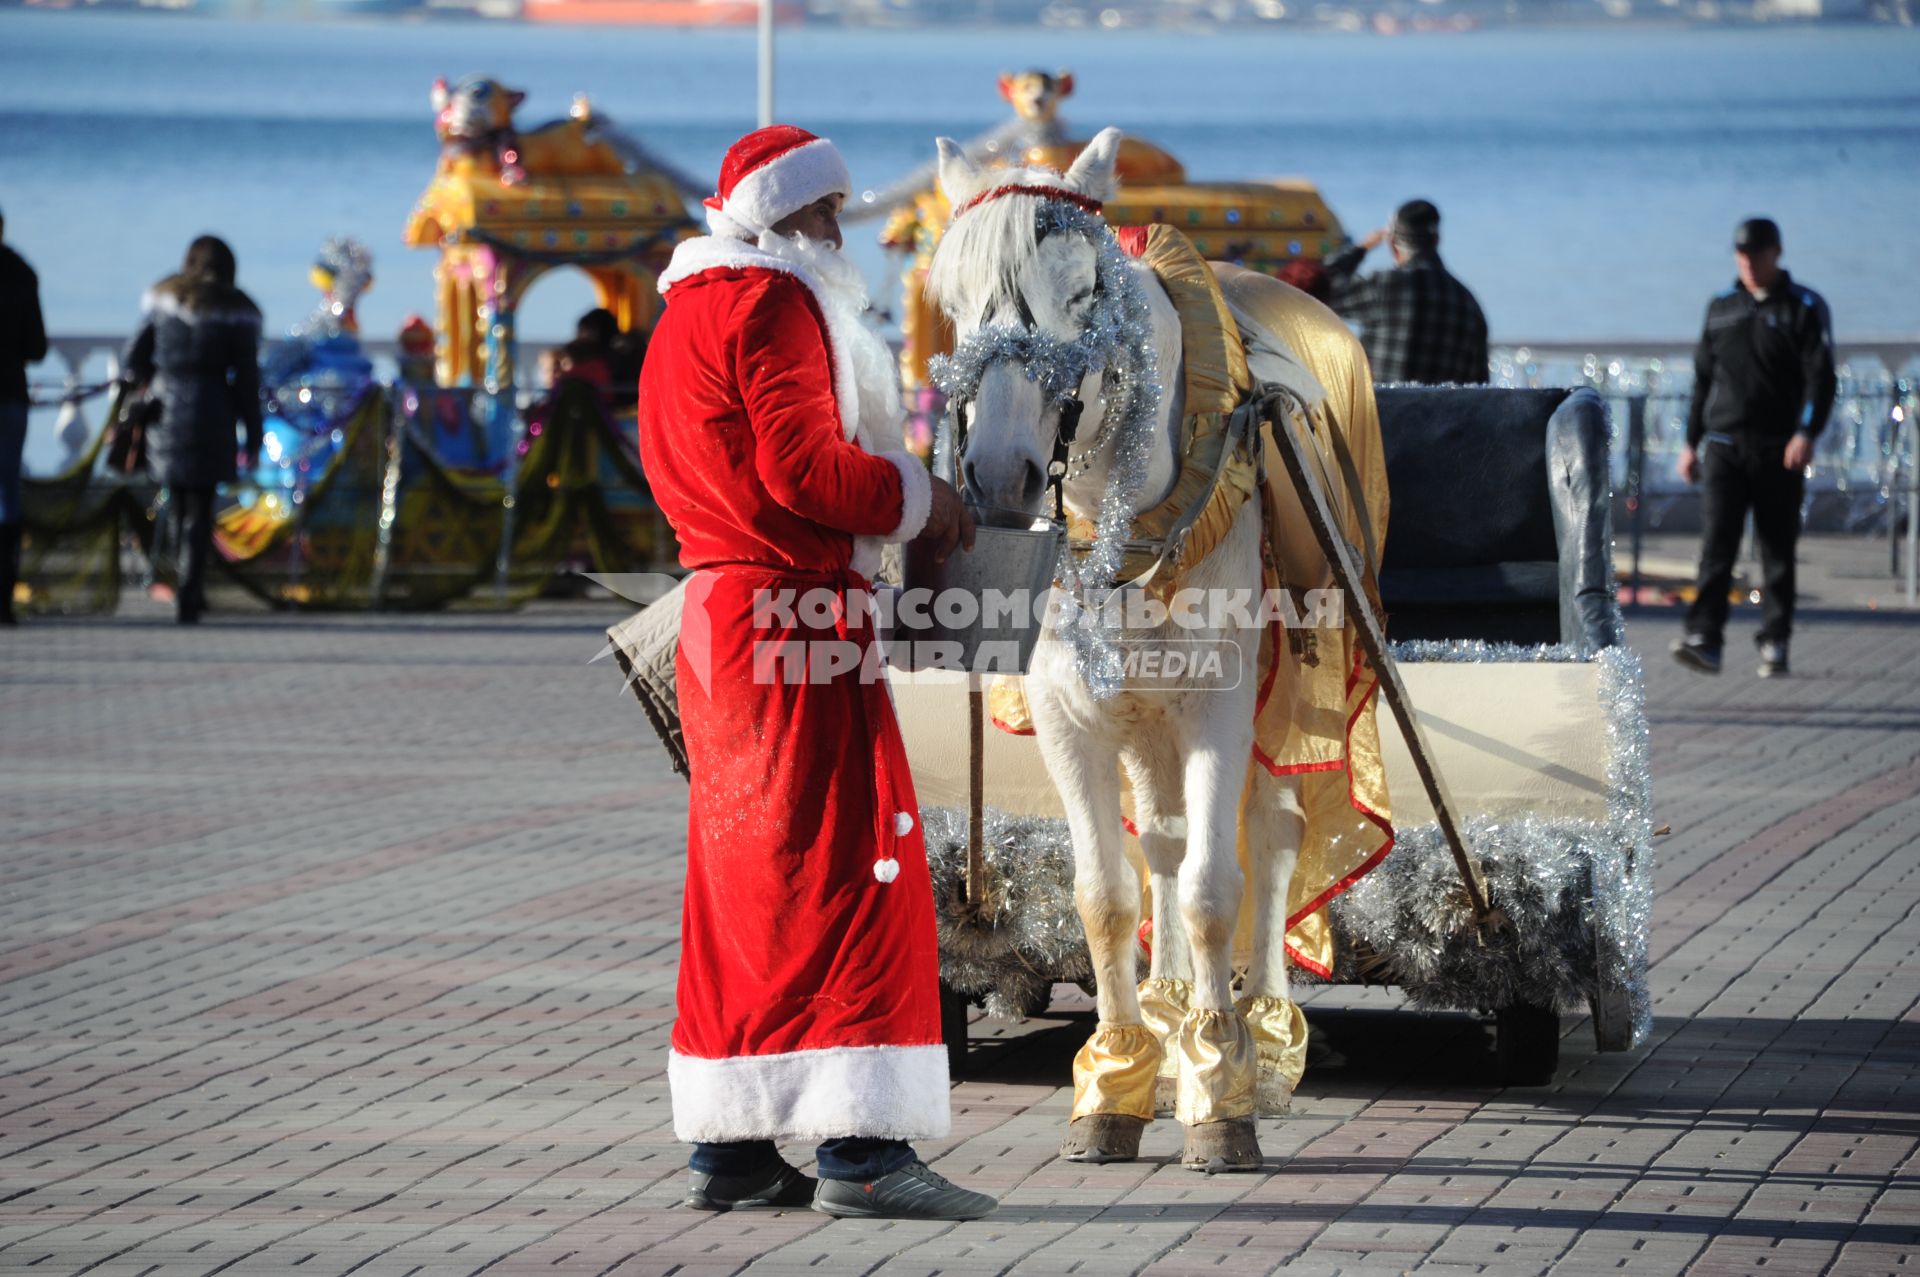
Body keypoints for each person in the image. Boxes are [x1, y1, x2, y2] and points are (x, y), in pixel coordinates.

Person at [636, 125, 992, 1221]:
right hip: (795, 610)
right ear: (781, 220)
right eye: (826, 213)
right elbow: (804, 470)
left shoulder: (681, 312)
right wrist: (923, 496)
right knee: (856, 866)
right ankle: (864, 1147)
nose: (843, 232)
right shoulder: (772, 300)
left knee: (744, 882)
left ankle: (733, 1148)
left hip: (718, 611)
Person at [1672, 218, 1835, 678]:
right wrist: (1690, 444)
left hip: (1778, 448)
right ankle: (1705, 636)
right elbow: (1703, 381)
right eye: (1741, 255)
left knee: (1776, 549)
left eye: (1756, 254)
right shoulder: (1721, 308)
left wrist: (1806, 433)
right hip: (1723, 447)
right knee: (1716, 546)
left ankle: (1775, 638)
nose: (1748, 263)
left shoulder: (1803, 307)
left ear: (1776, 253)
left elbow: (1820, 379)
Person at [126, 236, 263, 624]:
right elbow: (248, 378)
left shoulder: (163, 302)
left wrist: (150, 384)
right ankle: (191, 591)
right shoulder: (237, 312)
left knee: (176, 499)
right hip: (213, 410)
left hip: (165, 410)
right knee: (201, 508)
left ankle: (176, 582)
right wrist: (253, 432)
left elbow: (132, 358)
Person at [1324, 198, 1489, 385]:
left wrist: (1360, 250)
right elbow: (1480, 386)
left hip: (1382, 411)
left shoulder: (1383, 286)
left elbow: (1319, 287)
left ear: (1393, 243)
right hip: (1441, 413)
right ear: (1436, 240)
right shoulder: (1468, 305)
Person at [0, 206, 48, 626]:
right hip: (9, 394)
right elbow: (37, 347)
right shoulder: (20, 273)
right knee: (6, 495)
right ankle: (4, 597)